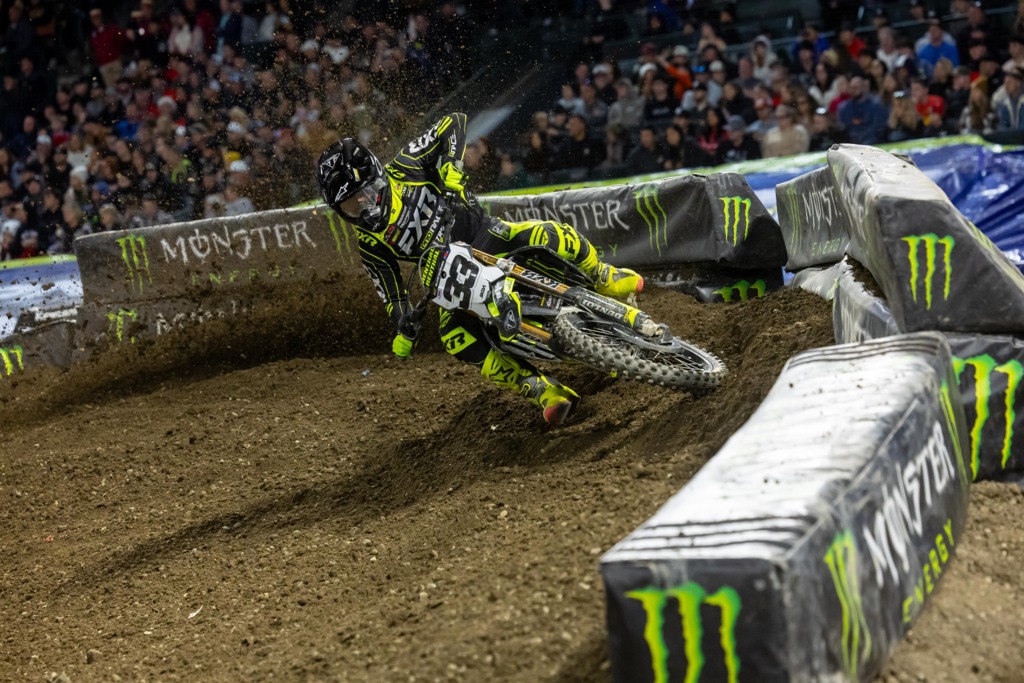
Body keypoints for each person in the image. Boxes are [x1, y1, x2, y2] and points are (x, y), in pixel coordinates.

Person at [316, 113, 642, 427]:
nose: (363, 207)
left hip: (484, 235)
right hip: (447, 276)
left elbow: (453, 122)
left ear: (378, 176)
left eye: (365, 195)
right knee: (454, 337)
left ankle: (601, 274)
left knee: (547, 234)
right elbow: (393, 298)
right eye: (350, 206)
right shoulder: (369, 244)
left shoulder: (405, 166)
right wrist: (405, 326)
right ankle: (539, 388)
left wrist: (451, 166)